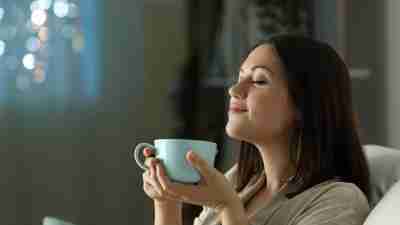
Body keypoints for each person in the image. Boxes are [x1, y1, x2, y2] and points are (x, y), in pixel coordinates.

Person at [141, 34, 371, 225]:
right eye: (240, 78)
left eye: (259, 81)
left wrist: (228, 207)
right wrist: (167, 202)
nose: (234, 89)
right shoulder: (240, 180)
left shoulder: (339, 200)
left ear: (304, 104)